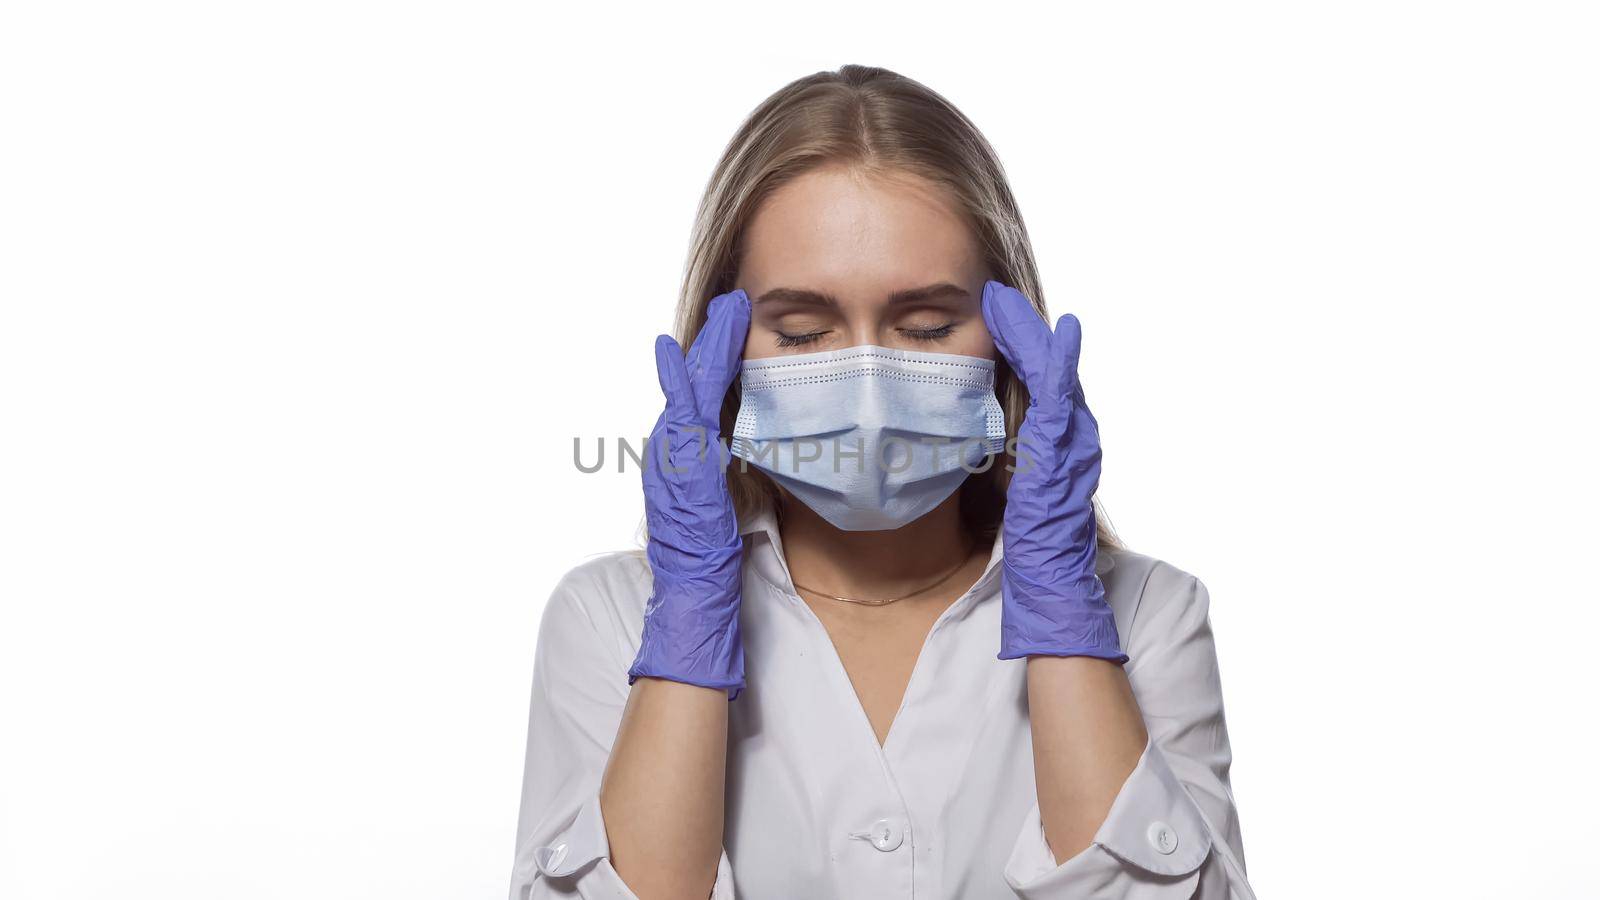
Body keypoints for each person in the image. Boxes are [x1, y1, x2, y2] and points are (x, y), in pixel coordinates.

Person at [510, 64, 1255, 900]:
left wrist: (1060, 606)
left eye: (927, 326)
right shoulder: (608, 622)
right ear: (724, 348)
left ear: (1008, 336)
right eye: (801, 331)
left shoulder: (1150, 618)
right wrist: (688, 621)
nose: (868, 392)